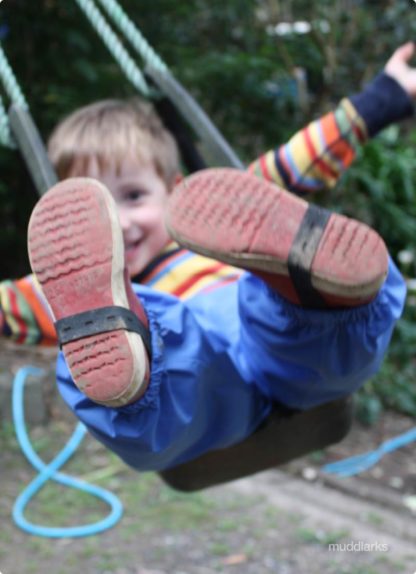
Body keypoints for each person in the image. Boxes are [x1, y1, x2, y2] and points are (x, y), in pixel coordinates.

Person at [22, 43, 415, 472]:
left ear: (175, 187)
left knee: (285, 322)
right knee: (168, 360)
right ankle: (131, 357)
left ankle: (313, 290)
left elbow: (299, 160)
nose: (120, 224)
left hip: (262, 336)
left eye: (134, 196)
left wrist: (385, 97)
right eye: (98, 216)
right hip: (207, 384)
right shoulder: (67, 286)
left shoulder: (211, 215)